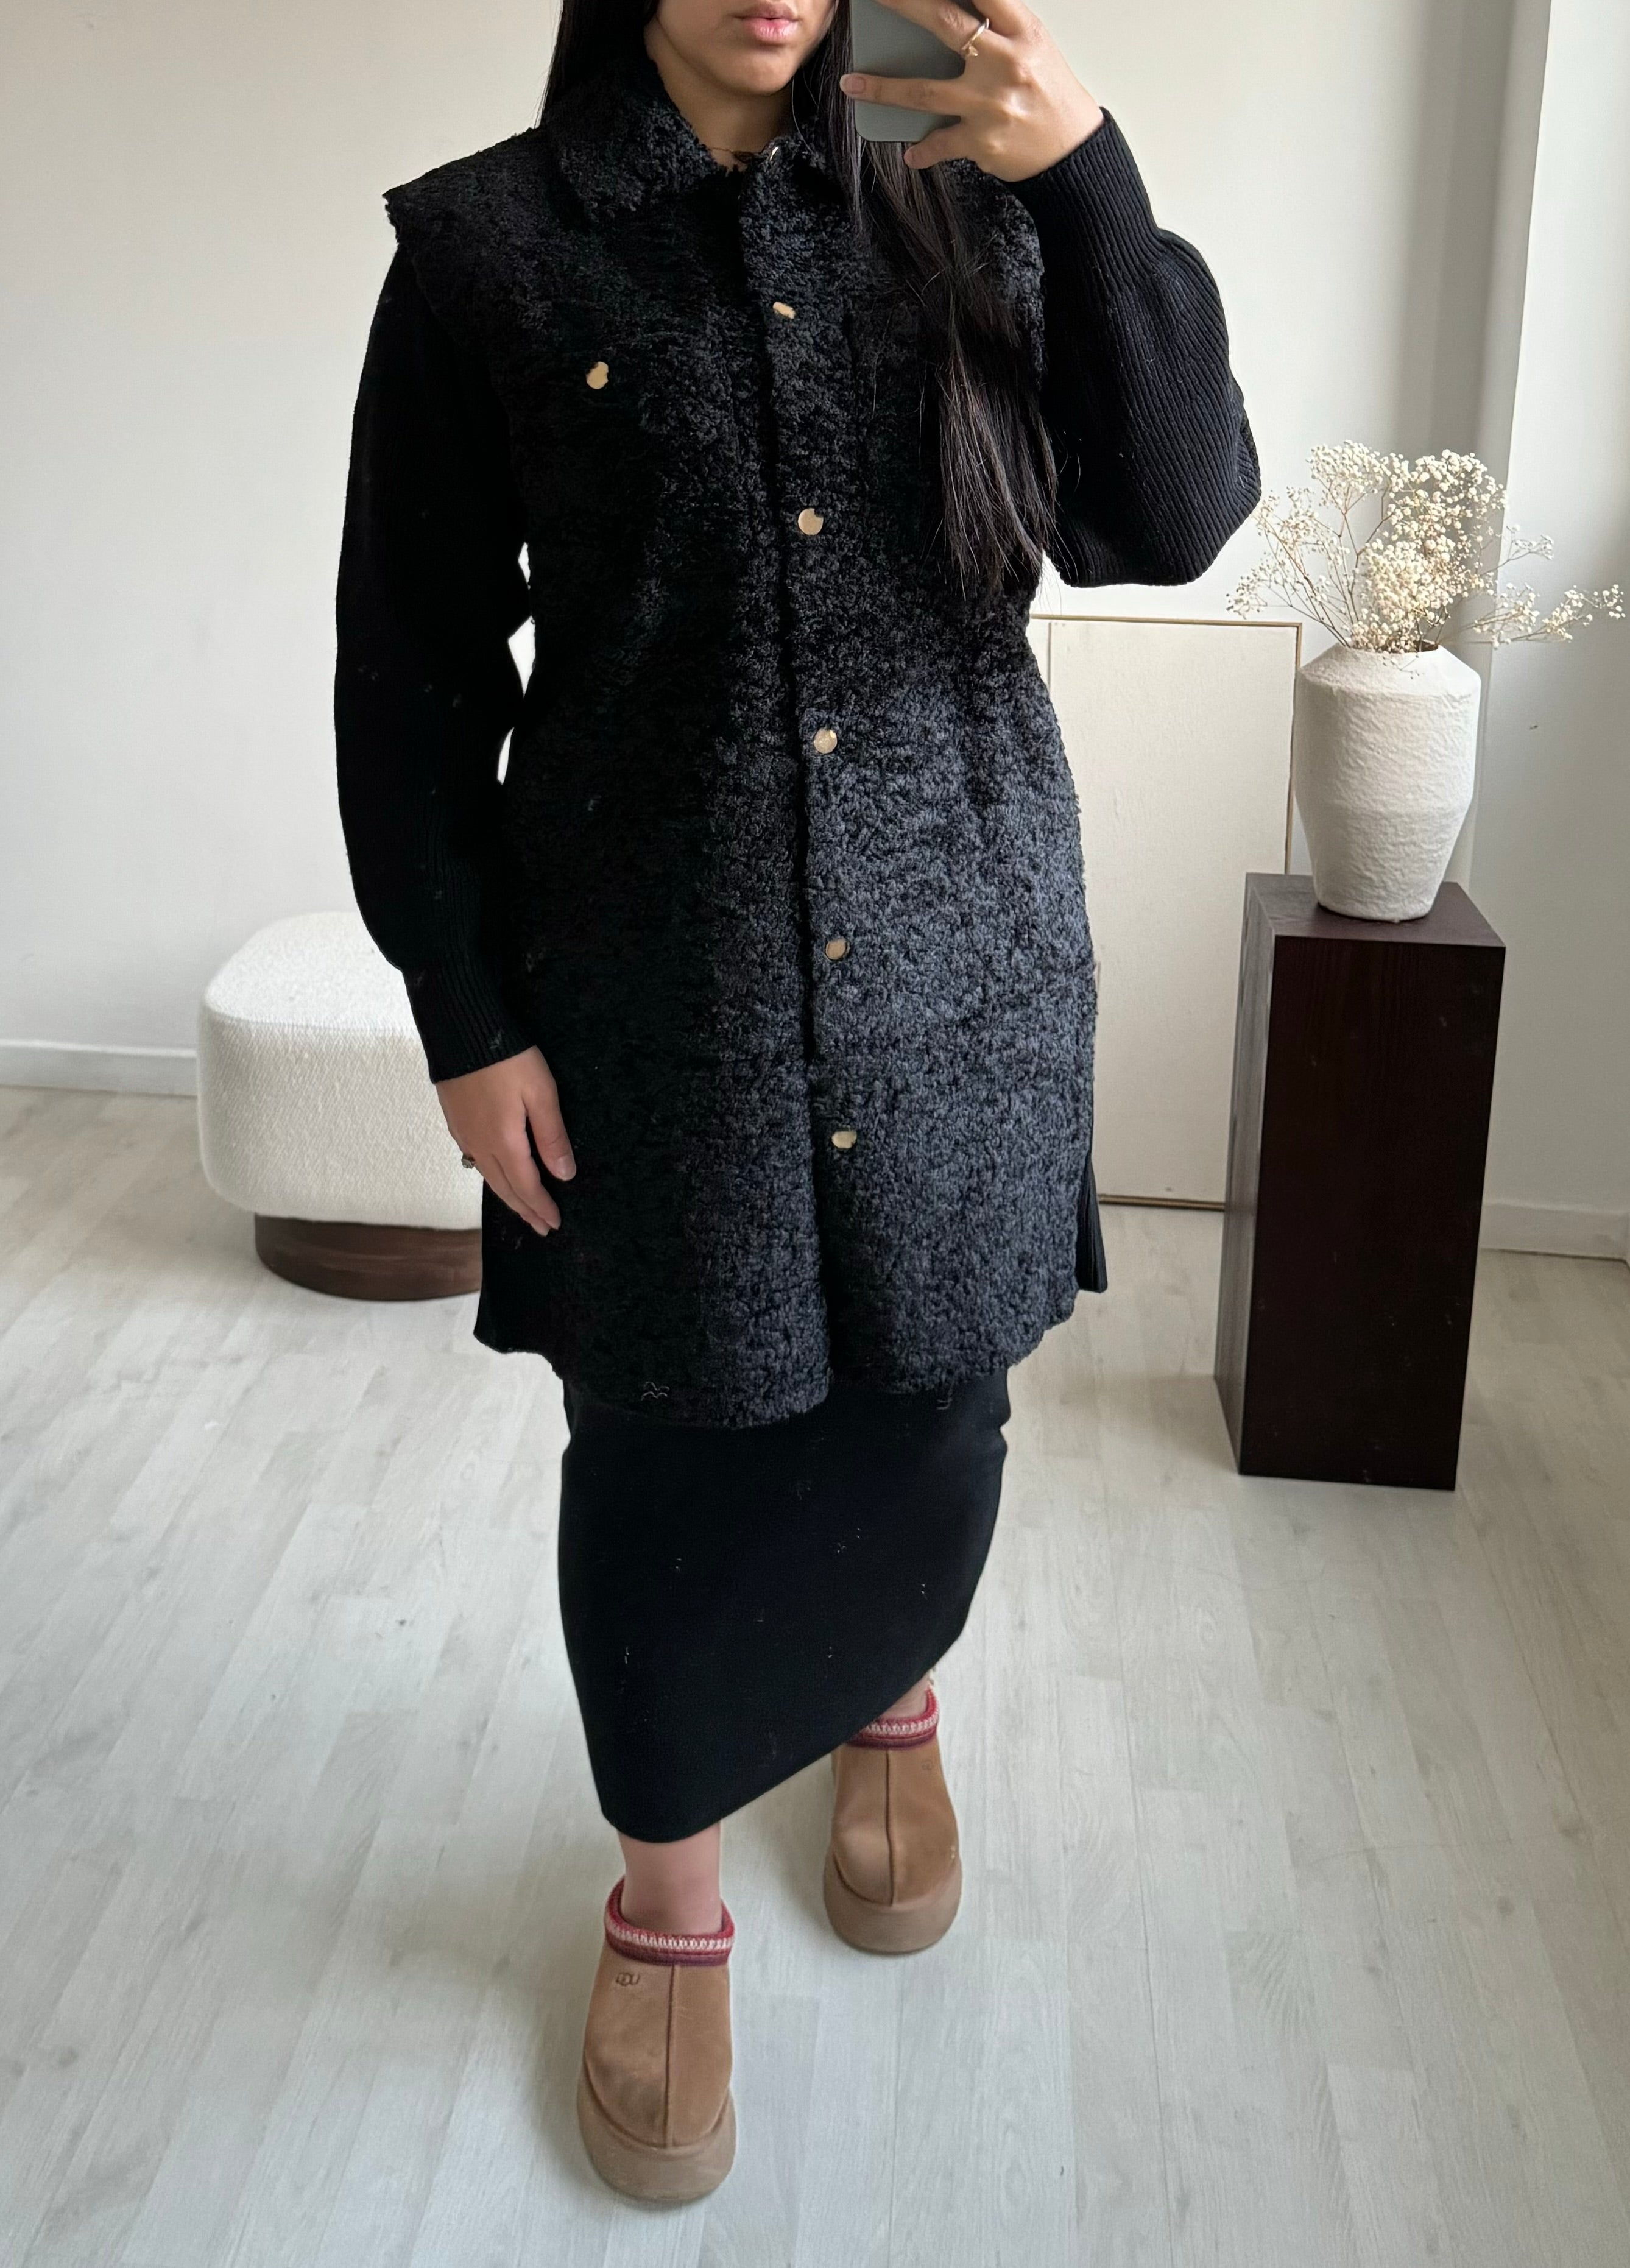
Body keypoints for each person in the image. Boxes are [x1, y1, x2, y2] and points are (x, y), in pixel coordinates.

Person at [334, 0, 1258, 2203]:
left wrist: (1084, 175)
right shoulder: (490, 250)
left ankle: (886, 1698)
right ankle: (666, 1892)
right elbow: (410, 664)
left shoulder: (980, 199)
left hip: (961, 956)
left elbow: (1175, 517)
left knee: (933, 1397)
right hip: (659, 994)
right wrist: (463, 1014)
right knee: (669, 1441)